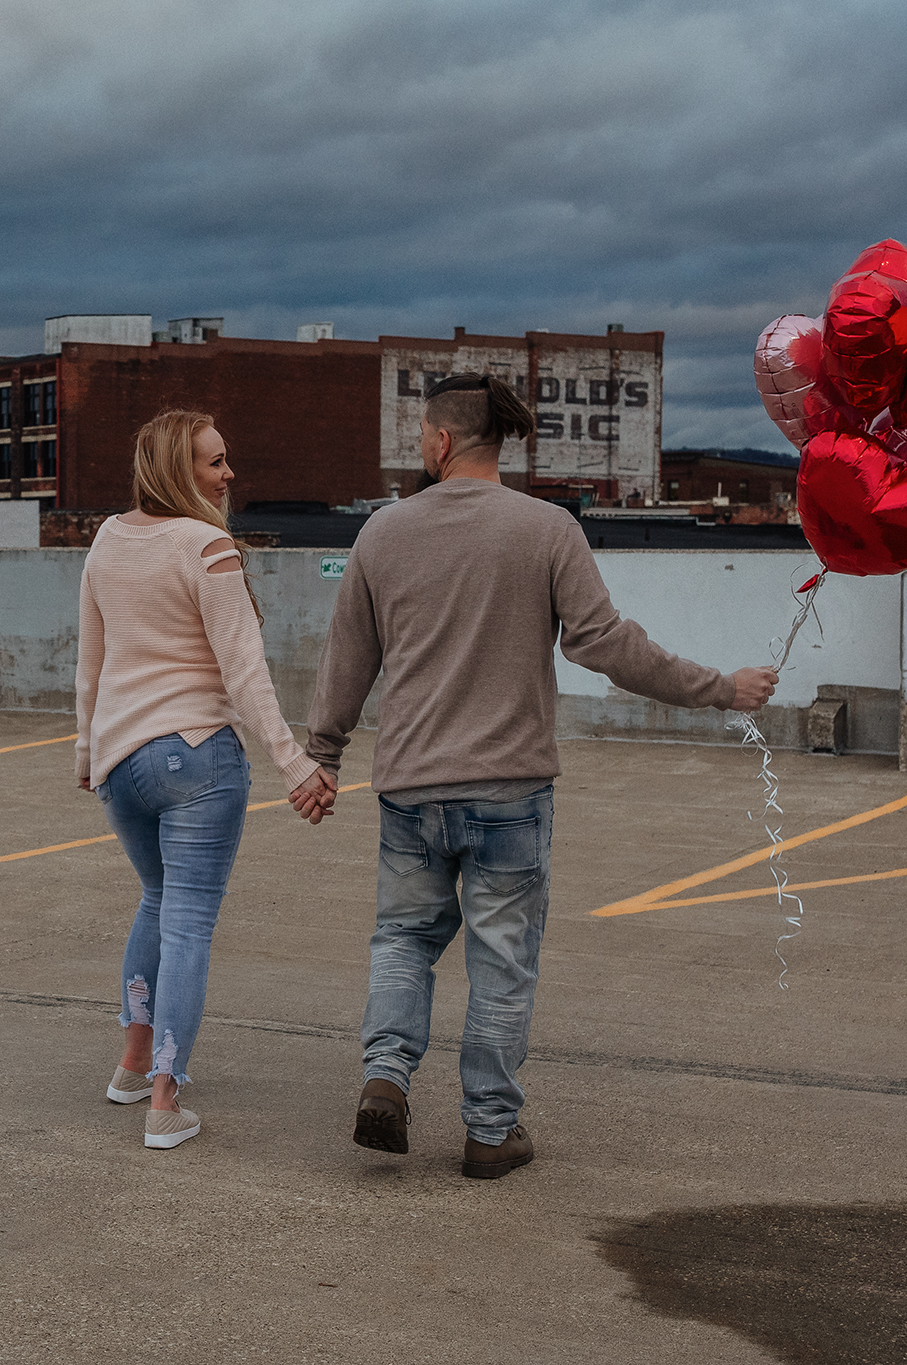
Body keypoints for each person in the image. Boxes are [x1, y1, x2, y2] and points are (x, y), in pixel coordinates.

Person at [300, 373, 778, 1179]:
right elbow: (610, 645)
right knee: (502, 959)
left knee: (403, 939)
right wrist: (720, 689)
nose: (419, 444)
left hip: (411, 789)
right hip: (509, 795)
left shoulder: (382, 533)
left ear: (443, 441)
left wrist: (323, 753)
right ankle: (489, 1132)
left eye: (421, 432)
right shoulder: (548, 530)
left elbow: (349, 657)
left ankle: (385, 1076)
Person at [75, 408, 338, 1151]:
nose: (229, 474)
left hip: (122, 763)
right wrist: (296, 764)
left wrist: (85, 753)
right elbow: (245, 673)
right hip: (196, 757)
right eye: (214, 462)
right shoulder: (207, 545)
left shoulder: (106, 538)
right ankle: (166, 1098)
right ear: (176, 468)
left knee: (156, 901)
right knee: (188, 921)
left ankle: (130, 1067)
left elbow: (90, 660)